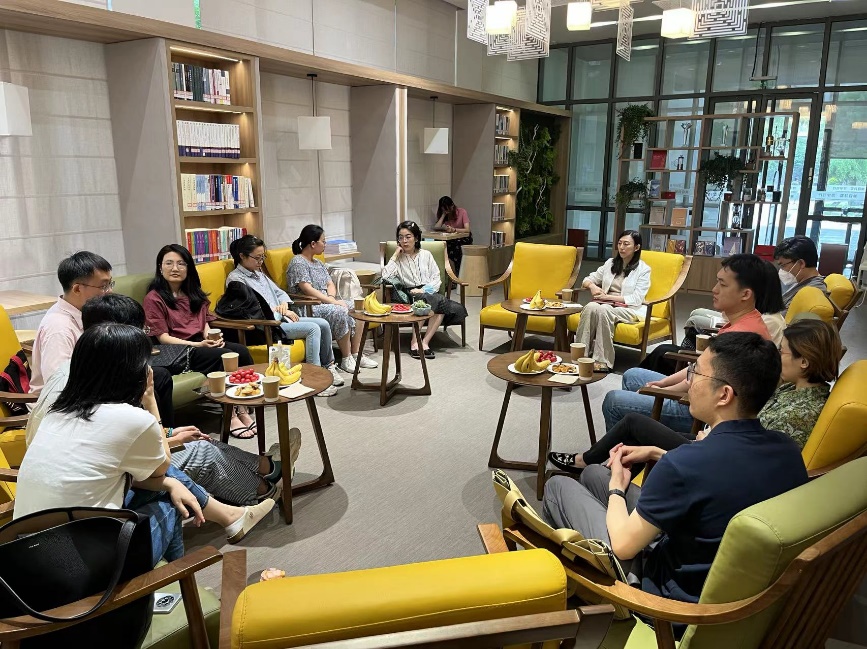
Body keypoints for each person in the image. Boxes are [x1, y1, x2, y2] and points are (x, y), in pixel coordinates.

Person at [543, 333, 808, 625]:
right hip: (721, 574)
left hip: (671, 604)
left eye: (697, 373)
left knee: (558, 486)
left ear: (724, 395)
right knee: (594, 472)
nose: (690, 381)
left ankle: (603, 594)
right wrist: (657, 453)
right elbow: (717, 479)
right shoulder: (788, 449)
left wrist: (617, 489)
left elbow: (623, 545)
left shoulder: (685, 464)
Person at [15, 324, 275, 567]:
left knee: (171, 483)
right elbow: (162, 466)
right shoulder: (130, 419)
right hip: (85, 570)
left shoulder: (58, 413)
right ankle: (174, 580)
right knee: (172, 500)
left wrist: (170, 482)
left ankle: (233, 515)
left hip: (28, 557)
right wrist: (150, 400)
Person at [27, 294, 297, 506]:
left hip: (88, 474)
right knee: (201, 453)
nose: (143, 336)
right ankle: (264, 492)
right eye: (140, 330)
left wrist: (167, 434)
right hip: (95, 501)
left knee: (196, 438)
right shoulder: (98, 390)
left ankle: (268, 467)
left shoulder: (82, 370)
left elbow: (108, 442)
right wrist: (154, 412)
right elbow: (150, 461)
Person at [549, 319, 842, 474]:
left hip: (717, 455)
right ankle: (609, 467)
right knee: (636, 423)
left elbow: (756, 453)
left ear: (805, 362)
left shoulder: (799, 412)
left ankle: (589, 462)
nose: (777, 355)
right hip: (718, 441)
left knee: (633, 421)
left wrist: (710, 437)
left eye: (783, 351)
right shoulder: (794, 389)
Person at [603, 253, 774, 433]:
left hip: (702, 413)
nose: (714, 289)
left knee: (614, 401)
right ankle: (635, 436)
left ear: (745, 294)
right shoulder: (741, 322)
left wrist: (663, 390)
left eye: (723, 285)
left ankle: (627, 445)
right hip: (700, 393)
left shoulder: (744, 335)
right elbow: (697, 368)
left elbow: (698, 382)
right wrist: (663, 384)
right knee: (632, 375)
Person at [144, 244, 257, 438]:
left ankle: (242, 408)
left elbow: (203, 321)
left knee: (241, 352)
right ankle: (229, 415)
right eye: (169, 263)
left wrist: (211, 337)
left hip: (199, 344)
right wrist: (199, 345)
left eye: (181, 263)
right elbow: (163, 337)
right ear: (160, 268)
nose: (175, 268)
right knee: (221, 357)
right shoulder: (154, 298)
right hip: (176, 350)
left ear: (188, 268)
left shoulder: (192, 293)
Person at [226, 234, 343, 397]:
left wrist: (284, 305)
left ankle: (328, 366)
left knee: (323, 323)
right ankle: (313, 378)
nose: (260, 262)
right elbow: (251, 311)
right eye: (257, 258)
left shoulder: (259, 273)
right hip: (267, 326)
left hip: (282, 318)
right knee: (313, 328)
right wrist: (279, 310)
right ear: (242, 256)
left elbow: (280, 293)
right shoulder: (236, 281)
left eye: (263, 257)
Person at [682, 236, 826, 335]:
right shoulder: (799, 283)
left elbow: (776, 319)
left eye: (783, 265)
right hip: (757, 316)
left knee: (695, 320)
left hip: (758, 320)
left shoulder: (813, 290)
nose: (781, 270)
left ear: (801, 263)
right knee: (697, 312)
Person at [286, 225, 378, 373]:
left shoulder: (318, 263)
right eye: (323, 241)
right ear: (313, 244)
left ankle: (356, 354)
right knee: (339, 310)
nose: (325, 244)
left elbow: (330, 284)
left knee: (358, 306)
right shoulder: (298, 262)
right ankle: (346, 358)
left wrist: (331, 297)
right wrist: (333, 302)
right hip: (308, 306)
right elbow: (307, 289)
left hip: (325, 302)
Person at [381, 221, 468, 359]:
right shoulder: (398, 259)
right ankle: (414, 342)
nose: (404, 241)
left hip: (429, 291)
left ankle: (424, 342)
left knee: (435, 301)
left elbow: (436, 277)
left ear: (416, 238)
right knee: (435, 301)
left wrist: (424, 290)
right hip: (409, 294)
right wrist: (395, 255)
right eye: (401, 237)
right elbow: (385, 276)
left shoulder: (426, 255)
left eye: (408, 237)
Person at [29, 251, 113, 394]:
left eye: (110, 284)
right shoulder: (58, 329)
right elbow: (59, 387)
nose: (110, 291)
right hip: (65, 401)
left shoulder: (87, 311)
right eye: (104, 286)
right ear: (77, 289)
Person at [575, 230, 651, 372]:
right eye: (619, 243)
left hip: (630, 309)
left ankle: (602, 361)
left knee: (604, 309)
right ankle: (579, 355)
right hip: (605, 304)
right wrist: (592, 287)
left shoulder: (643, 269)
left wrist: (608, 297)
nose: (621, 247)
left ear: (636, 247)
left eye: (626, 244)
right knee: (590, 307)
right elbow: (587, 279)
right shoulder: (610, 263)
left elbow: (636, 299)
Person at [434, 196, 471, 274]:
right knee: (439, 245)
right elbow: (436, 227)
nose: (448, 212)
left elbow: (467, 229)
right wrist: (443, 215)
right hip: (450, 238)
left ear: (452, 205)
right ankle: (448, 272)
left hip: (462, 237)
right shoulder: (444, 215)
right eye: (444, 210)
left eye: (448, 209)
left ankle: (457, 273)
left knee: (455, 249)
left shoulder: (462, 212)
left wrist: (454, 230)